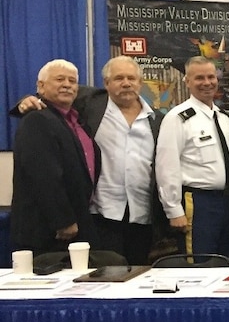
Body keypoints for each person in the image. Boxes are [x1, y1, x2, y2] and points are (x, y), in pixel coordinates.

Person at [13, 55, 162, 264]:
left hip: (143, 215)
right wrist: (26, 101)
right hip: (100, 215)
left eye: (132, 78)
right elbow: (50, 97)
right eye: (119, 78)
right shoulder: (91, 102)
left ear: (140, 82)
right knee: (103, 275)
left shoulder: (158, 119)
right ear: (106, 84)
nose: (126, 83)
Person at [10, 59, 100, 255]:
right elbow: (42, 175)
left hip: (80, 221)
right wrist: (63, 220)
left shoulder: (77, 119)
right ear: (41, 86)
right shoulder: (37, 119)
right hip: (50, 229)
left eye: (72, 80)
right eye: (59, 79)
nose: (67, 85)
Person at [156, 56, 229, 260]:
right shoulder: (178, 118)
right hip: (197, 203)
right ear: (187, 81)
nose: (207, 82)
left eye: (211, 77)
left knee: (225, 261)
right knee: (199, 265)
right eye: (199, 78)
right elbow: (167, 166)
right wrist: (174, 210)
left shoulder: (223, 118)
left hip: (225, 203)